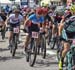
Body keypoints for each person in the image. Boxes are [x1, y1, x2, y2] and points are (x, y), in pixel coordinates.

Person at [58, 5, 75, 70]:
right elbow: (61, 26)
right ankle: (61, 61)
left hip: (73, 32)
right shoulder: (70, 18)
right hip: (66, 32)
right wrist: (60, 35)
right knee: (67, 48)